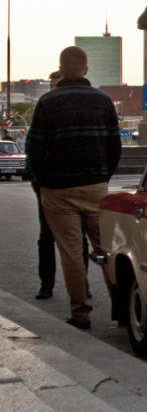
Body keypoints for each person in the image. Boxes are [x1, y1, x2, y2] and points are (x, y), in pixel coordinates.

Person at [26, 47, 121, 329]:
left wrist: (44, 180)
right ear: (86, 69)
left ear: (61, 70)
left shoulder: (46, 103)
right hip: (95, 186)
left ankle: (81, 314)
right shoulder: (104, 102)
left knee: (70, 253)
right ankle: (121, 309)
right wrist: (103, 177)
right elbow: (114, 146)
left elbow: (34, 148)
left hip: (58, 189)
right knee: (105, 250)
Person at [26, 71, 90, 300]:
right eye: (52, 86)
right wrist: (38, 179)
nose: (55, 89)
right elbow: (32, 148)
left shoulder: (69, 110)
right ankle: (47, 285)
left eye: (57, 85)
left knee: (79, 238)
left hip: (73, 182)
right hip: (48, 184)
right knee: (47, 237)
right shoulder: (45, 108)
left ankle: (82, 285)